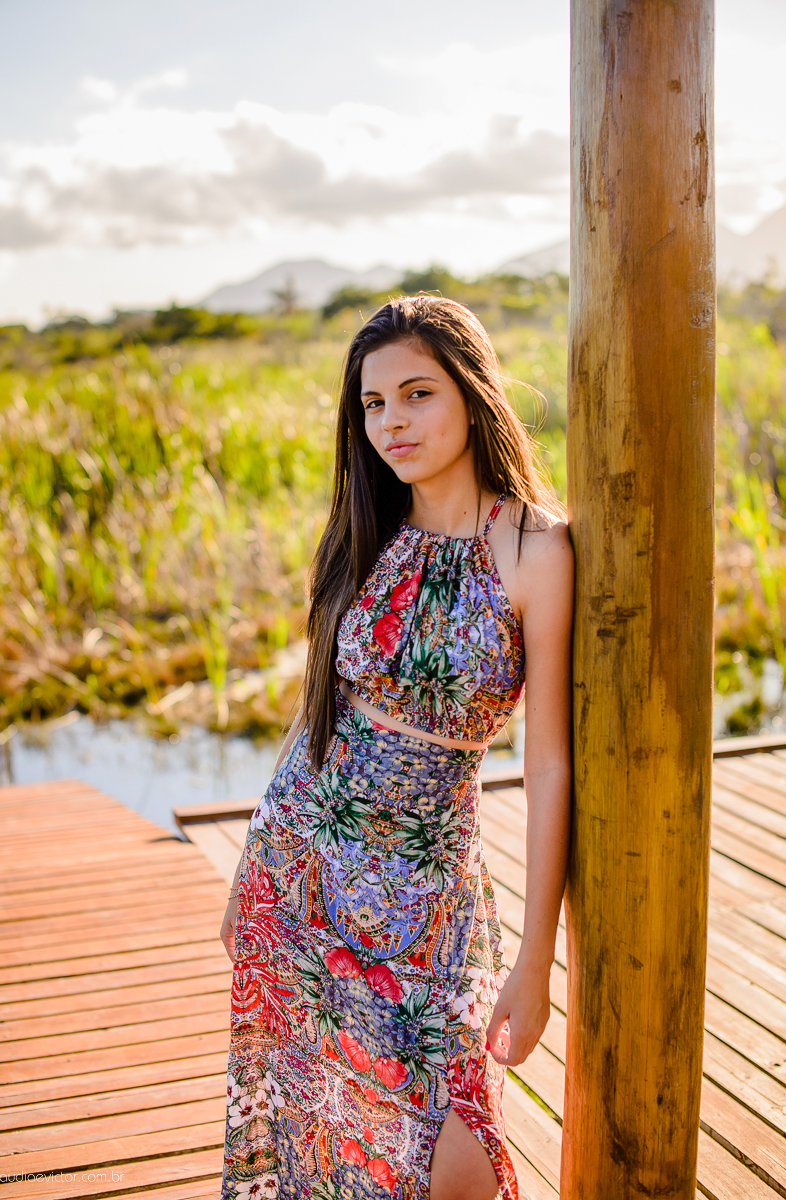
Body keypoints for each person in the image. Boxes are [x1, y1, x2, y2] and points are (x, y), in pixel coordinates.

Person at [219, 295, 573, 1200]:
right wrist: (251, 862)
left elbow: (546, 765)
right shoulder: (366, 534)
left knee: (456, 1162)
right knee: (324, 1133)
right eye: (373, 404)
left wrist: (535, 958)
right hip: (305, 865)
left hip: (431, 890)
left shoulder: (533, 546)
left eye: (416, 393)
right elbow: (317, 711)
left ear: (471, 391)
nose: (392, 423)